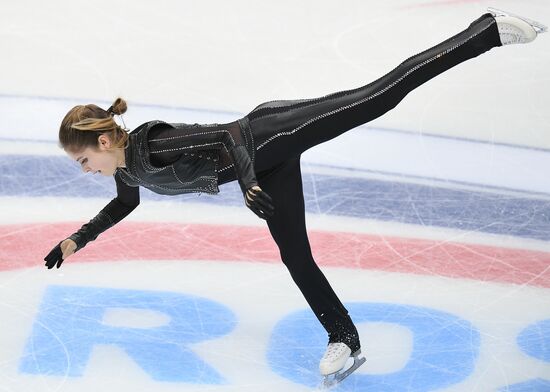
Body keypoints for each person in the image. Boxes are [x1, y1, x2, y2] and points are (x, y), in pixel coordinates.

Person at [44, 8, 546, 382]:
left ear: (105, 141)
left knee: (376, 97)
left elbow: (229, 136)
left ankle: (486, 32)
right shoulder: (127, 172)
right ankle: (343, 339)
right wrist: (75, 241)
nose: (87, 170)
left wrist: (249, 183)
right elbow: (124, 203)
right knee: (296, 257)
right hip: (267, 168)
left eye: (85, 160)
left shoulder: (153, 144)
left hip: (268, 136)